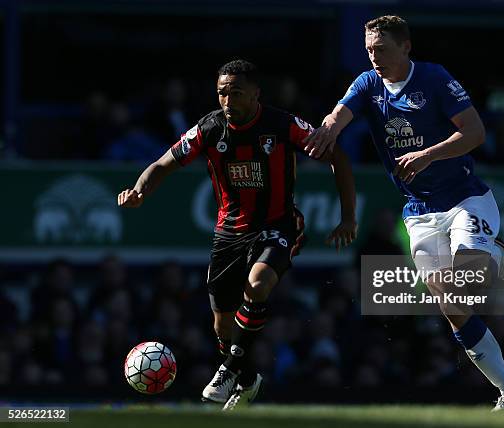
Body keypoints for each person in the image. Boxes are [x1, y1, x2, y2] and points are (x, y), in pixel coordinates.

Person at [303, 15, 504, 410]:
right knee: (451, 306)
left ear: (405, 47)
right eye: (370, 49)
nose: (375, 57)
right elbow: (339, 114)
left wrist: (427, 155)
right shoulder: (368, 84)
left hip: (464, 199)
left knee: (470, 285)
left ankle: (495, 252)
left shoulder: (435, 78)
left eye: (383, 49)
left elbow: (475, 133)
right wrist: (329, 130)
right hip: (419, 212)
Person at [118, 60, 357, 410]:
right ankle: (246, 380)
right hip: (229, 233)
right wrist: (139, 190)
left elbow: (337, 155)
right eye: (222, 92)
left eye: (236, 92)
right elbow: (162, 164)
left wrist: (348, 217)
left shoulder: (282, 124)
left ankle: (229, 368)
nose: (228, 99)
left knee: (258, 285)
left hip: (278, 225)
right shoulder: (209, 128)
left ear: (256, 94)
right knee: (222, 325)